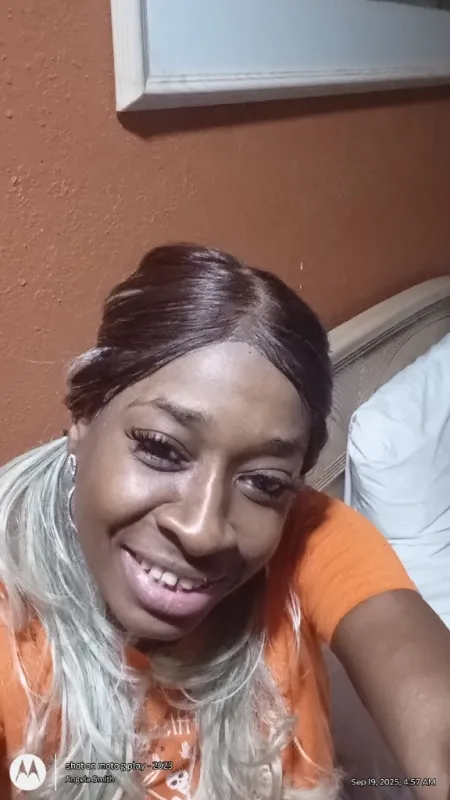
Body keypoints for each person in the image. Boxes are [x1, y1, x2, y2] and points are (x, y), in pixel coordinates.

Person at [0, 244, 449, 800]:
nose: (203, 529)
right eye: (161, 449)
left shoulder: (307, 533)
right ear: (84, 417)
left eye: (264, 482)